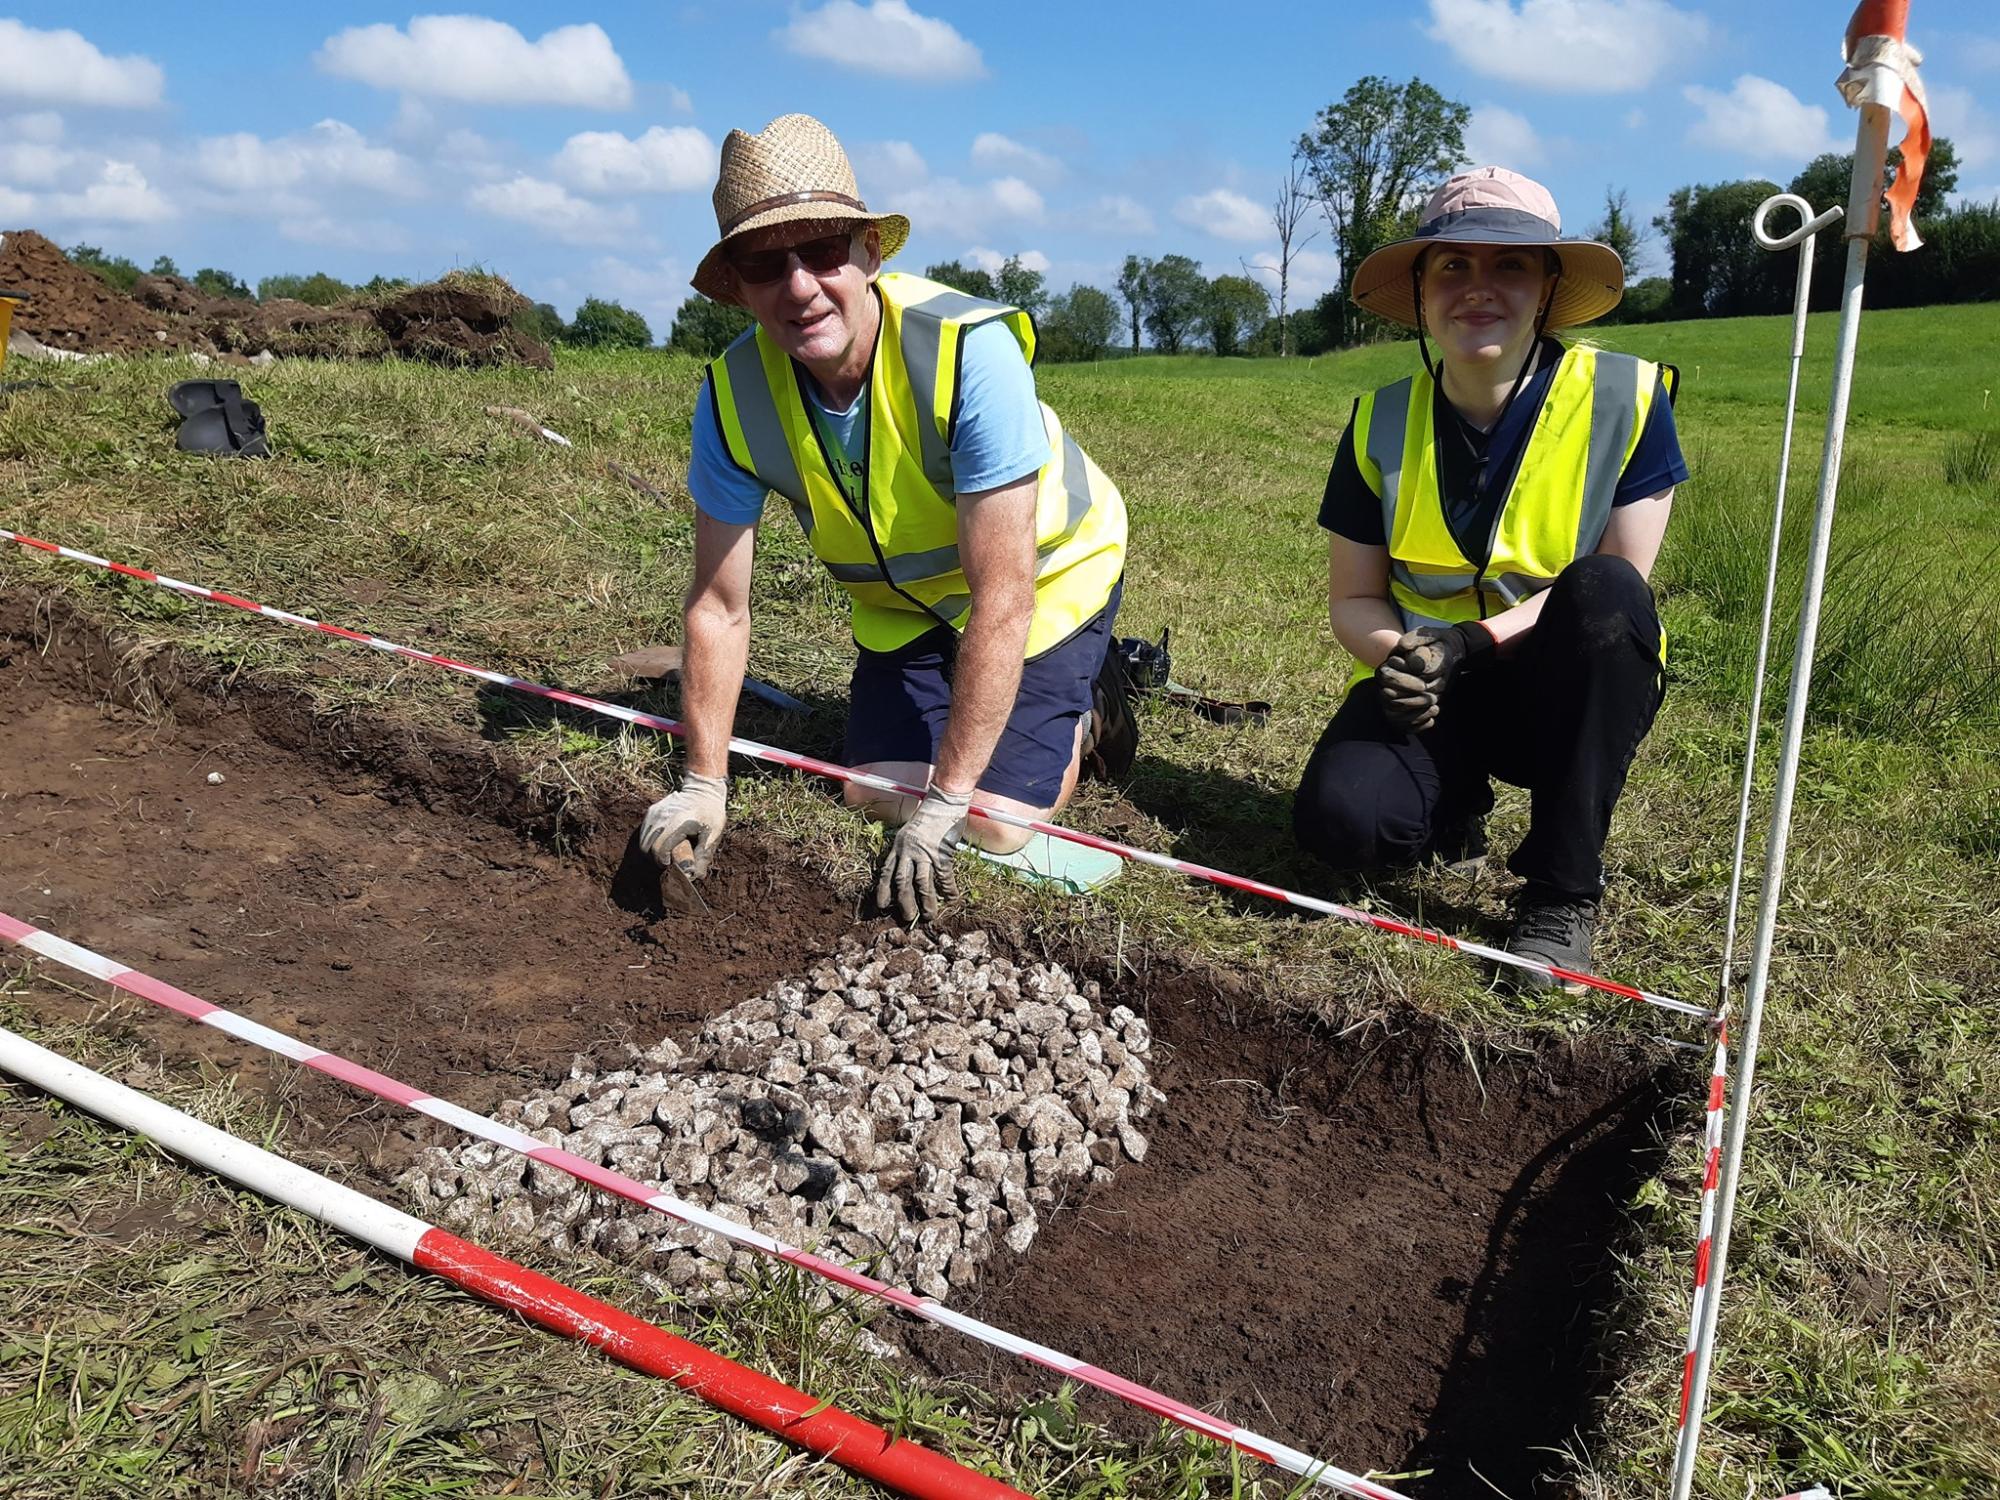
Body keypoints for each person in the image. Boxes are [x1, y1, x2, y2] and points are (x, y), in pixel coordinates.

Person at [638, 114, 1130, 924]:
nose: (799, 286)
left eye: (824, 250)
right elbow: (719, 604)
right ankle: (970, 711)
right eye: (766, 263)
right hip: (906, 604)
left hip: (1047, 579)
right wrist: (704, 782)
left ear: (870, 252)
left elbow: (1002, 598)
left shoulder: (969, 352)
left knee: (991, 823)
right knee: (871, 792)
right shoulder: (730, 396)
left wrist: (946, 804)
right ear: (738, 286)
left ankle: (1095, 698)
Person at [1293, 167, 1687, 989]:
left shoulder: (1626, 397)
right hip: (1438, 689)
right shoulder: (1379, 419)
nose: (1479, 288)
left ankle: (1561, 894)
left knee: (1608, 598)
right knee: (1342, 825)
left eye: (1509, 265)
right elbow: (1354, 598)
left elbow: (1619, 581)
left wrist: (1469, 643)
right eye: (1453, 266)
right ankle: (1455, 803)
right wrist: (1404, 657)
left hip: (1565, 687)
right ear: (1422, 289)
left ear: (1547, 287)